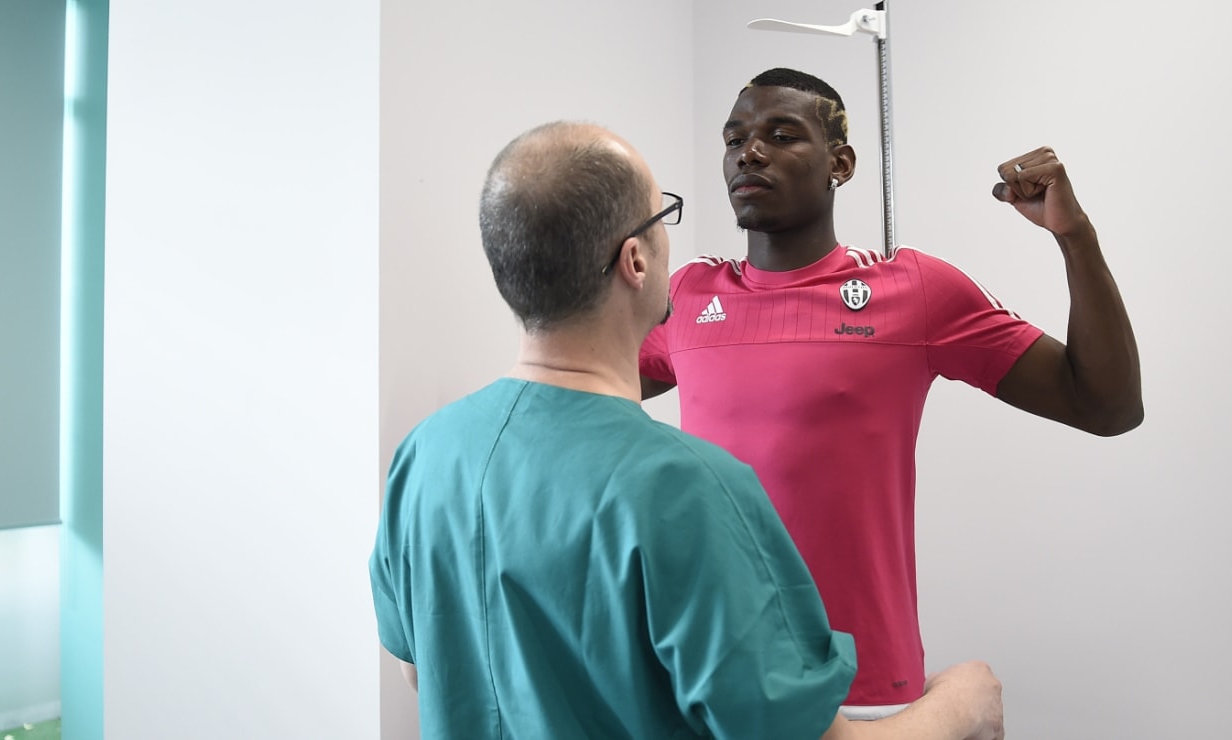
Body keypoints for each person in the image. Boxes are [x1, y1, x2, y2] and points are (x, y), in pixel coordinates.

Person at [370, 120, 1006, 739]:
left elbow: (423, 671)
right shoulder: (689, 489)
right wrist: (962, 703)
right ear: (635, 260)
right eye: (663, 218)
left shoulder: (426, 455)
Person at [639, 67, 1143, 719]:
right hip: (708, 679)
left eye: (782, 135)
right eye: (734, 139)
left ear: (840, 164)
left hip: (866, 689)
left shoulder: (915, 291)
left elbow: (1107, 405)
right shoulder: (686, 295)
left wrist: (1075, 237)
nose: (749, 152)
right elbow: (580, 383)